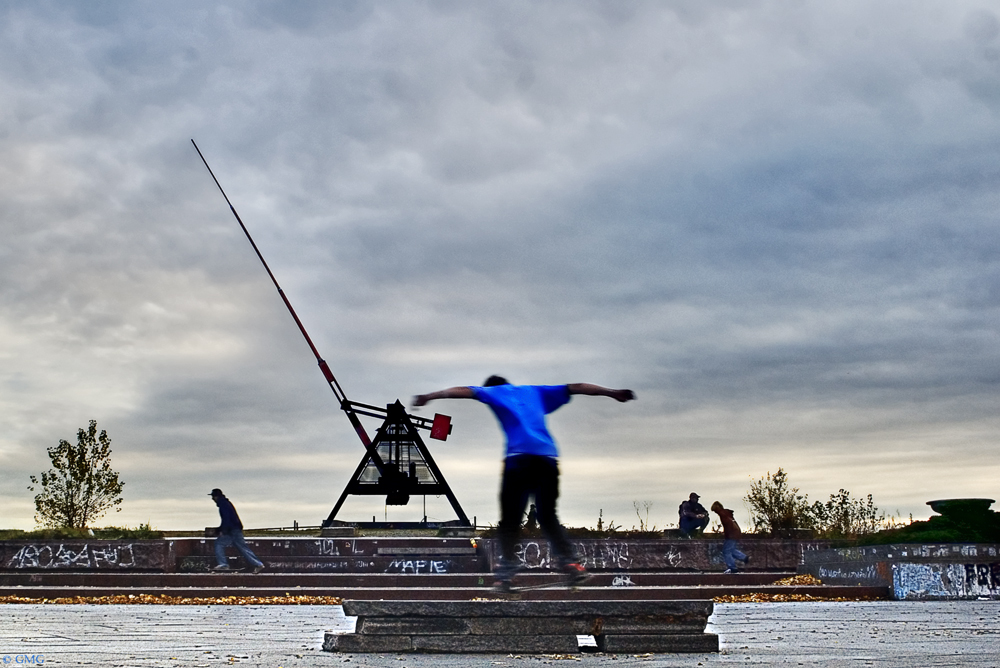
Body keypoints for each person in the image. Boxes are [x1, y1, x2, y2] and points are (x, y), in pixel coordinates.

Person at [413, 376, 635, 589]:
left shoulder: (495, 391)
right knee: (548, 515)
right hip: (547, 460)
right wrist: (612, 393)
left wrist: (430, 396)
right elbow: (576, 386)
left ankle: (505, 575)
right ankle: (570, 563)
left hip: (518, 460)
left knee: (510, 520)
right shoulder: (535, 391)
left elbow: (461, 391)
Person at [209, 488, 265, 573]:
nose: (212, 499)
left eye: (213, 497)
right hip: (236, 529)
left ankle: (223, 564)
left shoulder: (223, 505)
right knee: (243, 547)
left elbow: (226, 519)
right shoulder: (226, 503)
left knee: (219, 543)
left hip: (231, 530)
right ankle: (258, 564)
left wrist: (222, 531)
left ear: (216, 497)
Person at [711, 500, 749, 574]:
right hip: (735, 533)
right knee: (731, 549)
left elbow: (728, 524)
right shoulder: (727, 513)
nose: (715, 513)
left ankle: (732, 567)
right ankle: (744, 557)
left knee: (726, 551)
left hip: (731, 534)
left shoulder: (722, 514)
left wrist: (727, 534)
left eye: (715, 511)